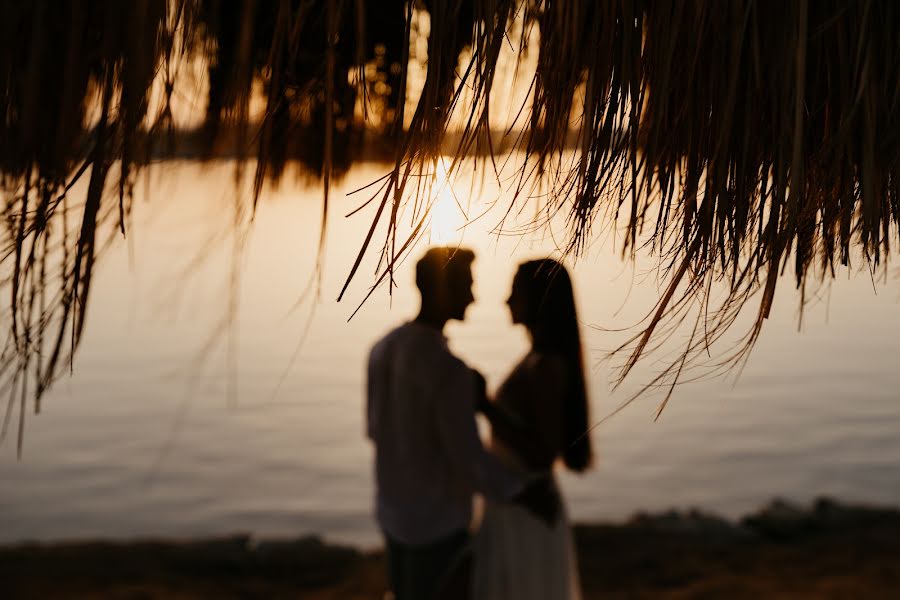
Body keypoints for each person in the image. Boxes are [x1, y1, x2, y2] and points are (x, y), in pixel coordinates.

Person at [366, 247, 558, 600]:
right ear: (444, 290)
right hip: (438, 524)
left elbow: (374, 430)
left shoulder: (382, 348)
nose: (473, 296)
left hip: (393, 513)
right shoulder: (449, 370)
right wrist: (523, 492)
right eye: (467, 284)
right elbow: (468, 458)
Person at [473, 258, 592, 600]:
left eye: (515, 291)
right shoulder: (536, 360)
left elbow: (542, 454)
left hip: (527, 503)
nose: (507, 300)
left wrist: (486, 408)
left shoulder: (544, 367)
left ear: (538, 299)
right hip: (517, 500)